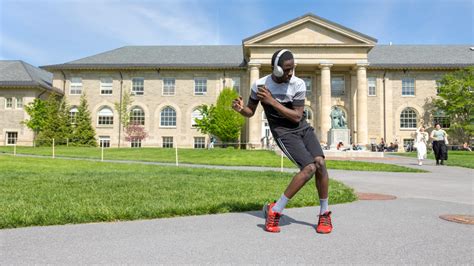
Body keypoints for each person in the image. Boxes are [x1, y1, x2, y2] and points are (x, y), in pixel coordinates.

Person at [232, 49, 332, 234]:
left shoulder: (298, 84)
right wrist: (240, 109)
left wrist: (271, 101)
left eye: (292, 69)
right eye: (286, 69)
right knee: (309, 168)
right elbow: (251, 111)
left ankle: (324, 213)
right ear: (275, 69)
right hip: (283, 133)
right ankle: (275, 210)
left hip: (301, 127)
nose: (290, 73)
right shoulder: (260, 85)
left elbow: (296, 117)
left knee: (321, 163)